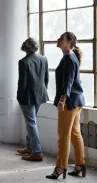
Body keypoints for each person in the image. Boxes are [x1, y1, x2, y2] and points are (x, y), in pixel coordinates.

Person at [46, 32, 86, 179]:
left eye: (61, 38)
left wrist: (62, 101)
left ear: (68, 42)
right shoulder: (71, 56)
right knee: (75, 135)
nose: (58, 39)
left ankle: (60, 167)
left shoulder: (69, 58)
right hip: (77, 101)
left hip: (69, 102)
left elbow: (67, 82)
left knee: (63, 136)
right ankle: (80, 165)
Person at [16, 37, 49, 162]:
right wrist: (43, 91)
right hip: (41, 94)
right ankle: (30, 147)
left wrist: (19, 97)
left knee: (31, 123)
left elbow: (22, 83)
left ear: (25, 47)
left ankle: (37, 152)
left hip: (28, 96)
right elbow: (46, 78)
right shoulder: (44, 58)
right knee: (32, 121)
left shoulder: (24, 62)